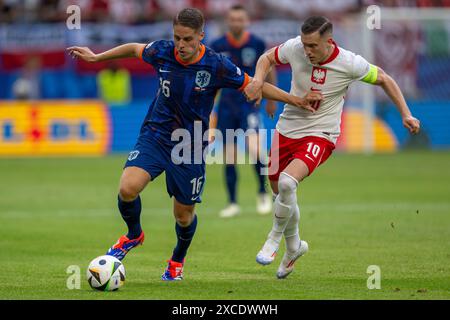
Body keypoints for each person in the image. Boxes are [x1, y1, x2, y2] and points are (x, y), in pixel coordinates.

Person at [67, 8, 321, 281]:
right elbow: (133, 49)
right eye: (177, 38)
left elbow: (254, 84)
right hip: (156, 134)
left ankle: (177, 259)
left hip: (189, 145)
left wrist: (296, 100)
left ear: (201, 36)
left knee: (183, 216)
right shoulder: (162, 51)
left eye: (187, 39)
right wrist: (97, 57)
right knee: (127, 188)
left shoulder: (216, 65)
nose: (181, 45)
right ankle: (133, 235)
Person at [244, 16, 421, 279]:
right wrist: (258, 80)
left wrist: (406, 113)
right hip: (287, 129)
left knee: (287, 183)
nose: (307, 51)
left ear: (329, 42)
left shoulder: (350, 63)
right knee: (279, 191)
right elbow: (267, 58)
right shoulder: (296, 47)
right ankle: (294, 248)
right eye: (305, 44)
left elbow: (384, 78)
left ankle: (274, 239)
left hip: (321, 134)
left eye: (313, 46)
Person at [210, 4, 277, 218]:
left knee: (256, 150)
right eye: (233, 19)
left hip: (249, 103)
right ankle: (232, 202)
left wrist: (271, 99)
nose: (236, 22)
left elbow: (268, 70)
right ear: (228, 21)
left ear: (246, 21)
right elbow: (212, 78)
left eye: (240, 19)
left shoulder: (257, 43)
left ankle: (262, 193)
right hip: (227, 105)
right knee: (229, 156)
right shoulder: (217, 45)